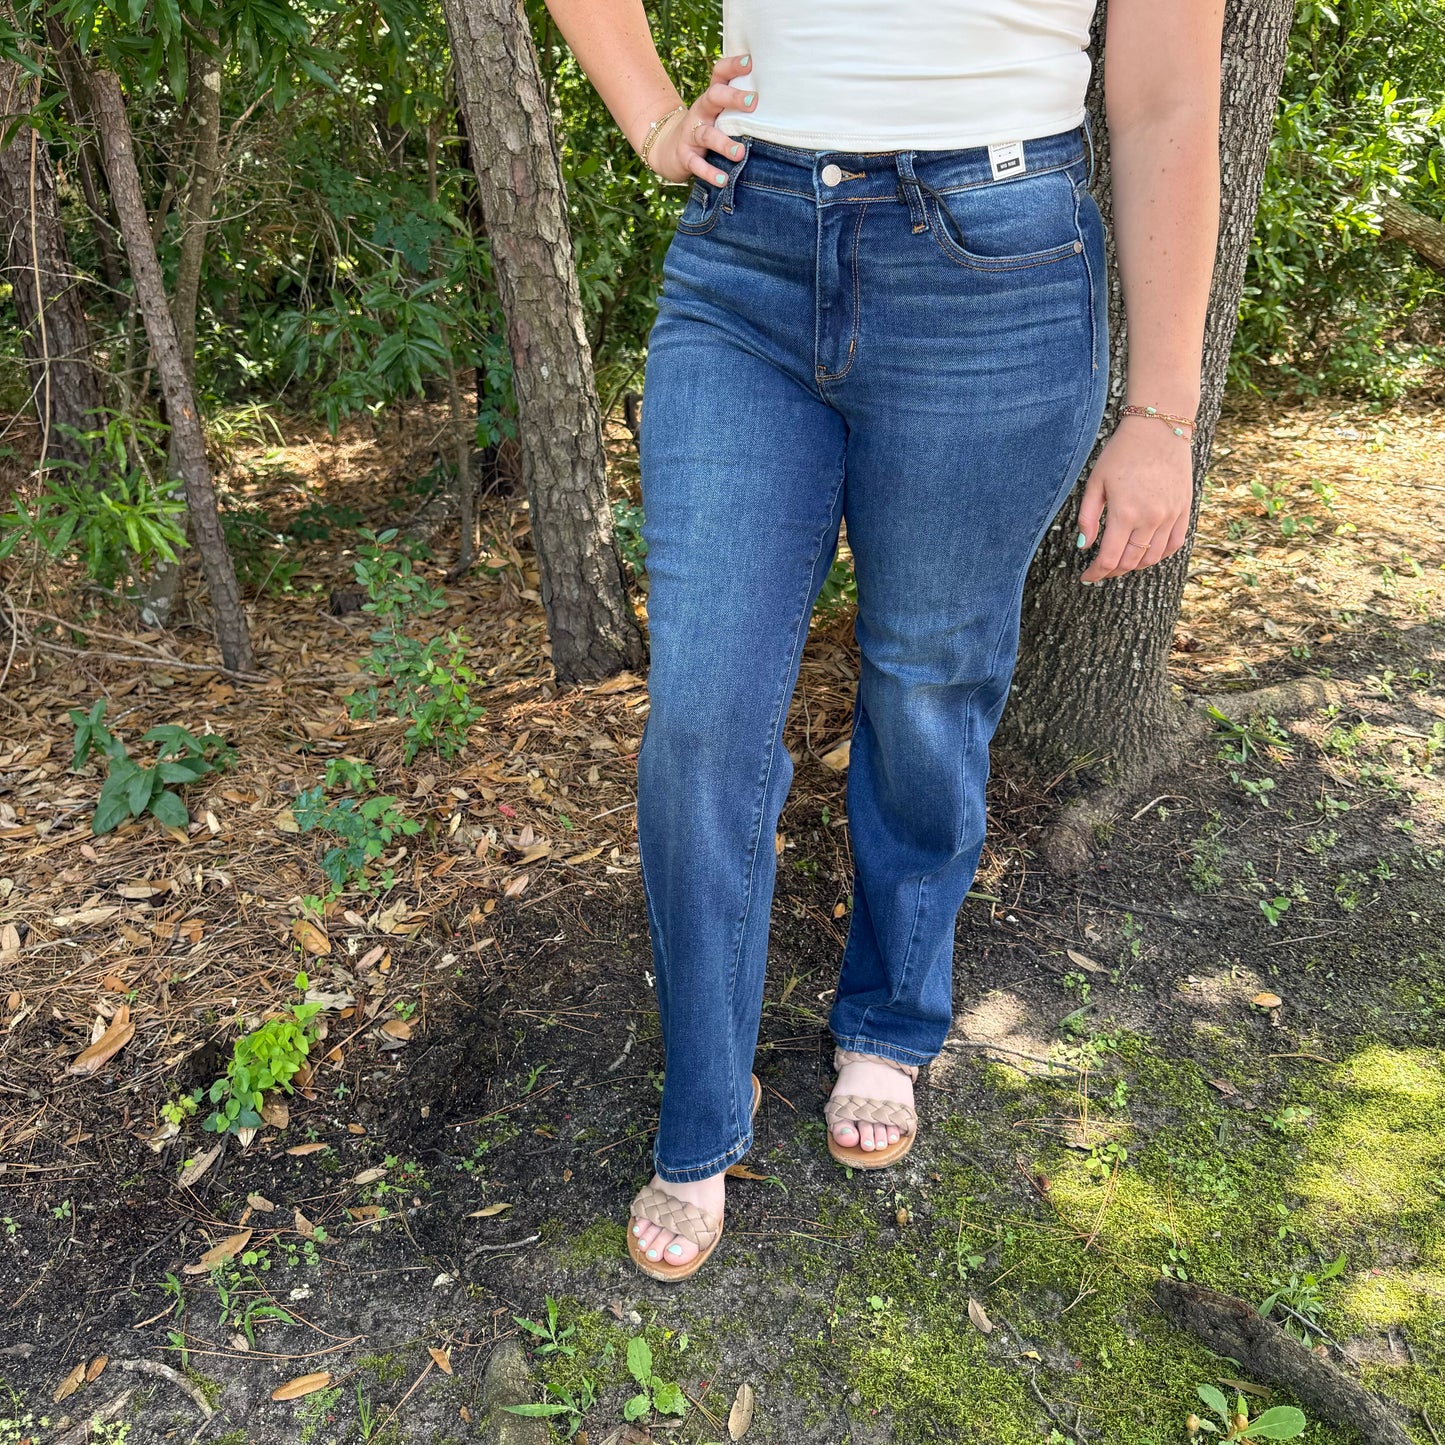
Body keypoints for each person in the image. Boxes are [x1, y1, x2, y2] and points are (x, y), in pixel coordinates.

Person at [541, 0, 1224, 1280]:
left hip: (995, 272)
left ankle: (891, 1015)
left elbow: (1168, 102)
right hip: (746, 251)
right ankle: (704, 1105)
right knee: (701, 719)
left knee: (926, 683)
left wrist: (1163, 413)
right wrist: (650, 117)